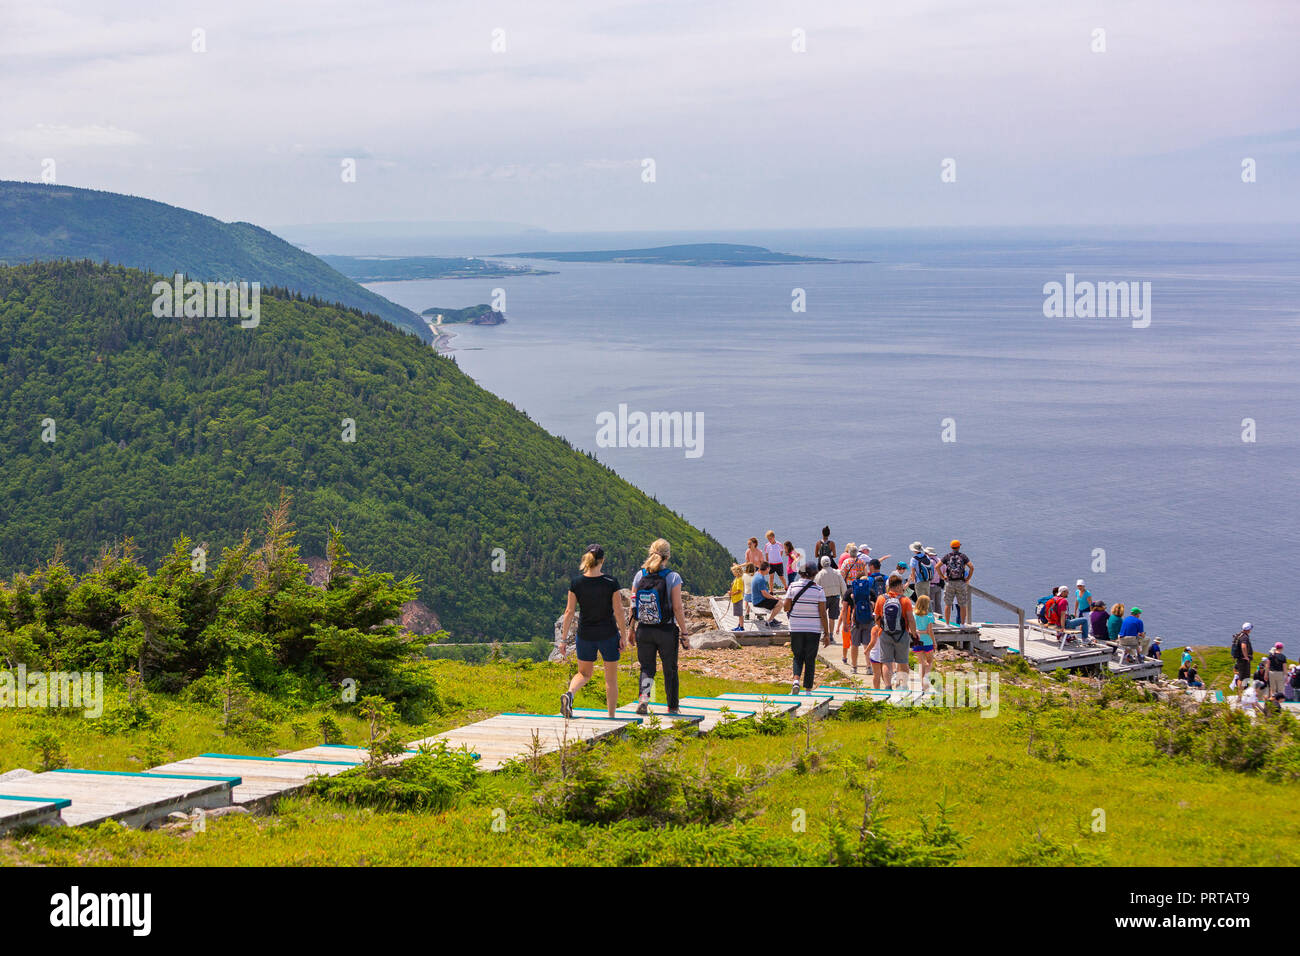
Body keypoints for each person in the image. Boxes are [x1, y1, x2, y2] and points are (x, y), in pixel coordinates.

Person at [559, 545, 628, 719]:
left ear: (586, 559)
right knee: (610, 679)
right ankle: (611, 716)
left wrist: (563, 640)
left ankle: (570, 694)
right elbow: (618, 611)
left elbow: (568, 612)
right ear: (602, 560)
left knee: (584, 673)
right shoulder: (611, 583)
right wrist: (624, 636)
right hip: (608, 634)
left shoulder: (576, 583)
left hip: (585, 635)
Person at [629, 539, 688, 714]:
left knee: (647, 668)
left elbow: (633, 605)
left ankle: (644, 700)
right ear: (667, 556)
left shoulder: (640, 576)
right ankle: (672, 707)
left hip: (644, 629)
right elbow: (677, 607)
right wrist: (684, 633)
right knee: (669, 668)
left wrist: (631, 629)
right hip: (666, 630)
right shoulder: (673, 577)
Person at [783, 559, 830, 695]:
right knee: (810, 658)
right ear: (814, 574)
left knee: (797, 656)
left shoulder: (792, 587)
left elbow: (786, 607)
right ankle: (808, 690)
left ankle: (796, 681)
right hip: (813, 629)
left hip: (796, 627)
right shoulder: (818, 590)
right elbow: (822, 613)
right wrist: (826, 634)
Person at [873, 574, 916, 688]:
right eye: (901, 586)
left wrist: (882, 628)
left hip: (885, 634)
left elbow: (877, 617)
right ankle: (904, 686)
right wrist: (914, 633)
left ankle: (888, 687)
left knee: (886, 662)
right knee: (903, 661)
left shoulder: (881, 599)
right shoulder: (905, 600)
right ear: (897, 586)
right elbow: (911, 619)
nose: (902, 588)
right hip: (902, 634)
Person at [940, 540, 973, 626]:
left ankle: (947, 624)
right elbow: (972, 567)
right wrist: (968, 578)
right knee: (962, 604)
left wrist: (943, 577)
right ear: (959, 547)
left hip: (950, 582)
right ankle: (962, 624)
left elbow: (937, 567)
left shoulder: (947, 556)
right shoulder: (963, 556)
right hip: (960, 582)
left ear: (951, 547)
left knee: (948, 604)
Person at [815, 555, 845, 635]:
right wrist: (844, 598)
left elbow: (816, 587)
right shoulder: (837, 572)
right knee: (832, 617)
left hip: (823, 598)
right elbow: (843, 585)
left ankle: (824, 633)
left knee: (822, 615)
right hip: (835, 597)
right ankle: (831, 634)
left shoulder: (819, 574)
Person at [912, 594, 937, 683]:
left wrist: (918, 632)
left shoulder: (913, 615)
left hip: (917, 641)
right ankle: (926, 677)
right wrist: (934, 642)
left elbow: (911, 629)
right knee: (930, 661)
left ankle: (921, 683)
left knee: (921, 663)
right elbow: (930, 631)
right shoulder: (929, 616)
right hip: (927, 642)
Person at [1230, 623, 1254, 701]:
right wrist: (1246, 656)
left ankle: (1241, 695)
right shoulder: (1244, 637)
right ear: (1248, 630)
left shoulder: (1239, 635)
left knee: (1243, 677)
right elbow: (1243, 646)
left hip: (1240, 660)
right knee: (1243, 678)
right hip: (1243, 661)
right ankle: (1240, 696)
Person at [728, 563, 746, 632]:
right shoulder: (737, 578)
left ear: (737, 572)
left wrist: (731, 593)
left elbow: (739, 590)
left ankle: (741, 627)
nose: (733, 573)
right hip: (736, 599)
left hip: (738, 598)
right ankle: (739, 626)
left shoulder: (739, 579)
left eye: (734, 572)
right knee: (739, 613)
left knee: (740, 614)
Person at [923, 546, 942, 611]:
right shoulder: (939, 560)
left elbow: (928, 573)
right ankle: (941, 619)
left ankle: (933, 619)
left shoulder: (930, 562)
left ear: (928, 554)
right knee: (938, 604)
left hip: (931, 585)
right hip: (939, 585)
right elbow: (944, 569)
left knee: (931, 604)